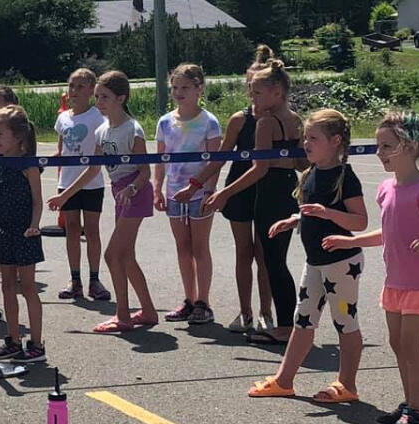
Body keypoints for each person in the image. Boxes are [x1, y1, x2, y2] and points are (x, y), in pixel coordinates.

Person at [321, 111, 419, 424]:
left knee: (411, 344)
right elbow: (387, 233)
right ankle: (409, 403)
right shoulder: (386, 189)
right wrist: (350, 241)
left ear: (411, 147)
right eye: (378, 146)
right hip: (395, 282)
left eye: (387, 146)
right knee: (397, 343)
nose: (379, 152)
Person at [248, 109, 368, 404]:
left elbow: (360, 221)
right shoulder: (311, 173)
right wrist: (294, 220)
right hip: (314, 262)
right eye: (305, 137)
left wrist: (328, 213)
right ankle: (284, 380)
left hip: (342, 263)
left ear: (335, 141)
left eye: (313, 138)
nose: (306, 143)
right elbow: (311, 212)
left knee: (345, 322)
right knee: (302, 321)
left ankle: (347, 384)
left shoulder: (344, 177)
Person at [206, 46, 302, 343]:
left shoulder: (267, 123)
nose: (252, 97)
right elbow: (302, 163)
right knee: (273, 260)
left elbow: (260, 169)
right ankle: (276, 321)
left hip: (269, 192)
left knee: (272, 262)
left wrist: (224, 193)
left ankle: (280, 323)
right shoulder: (295, 119)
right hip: (285, 189)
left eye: (257, 92)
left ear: (276, 92)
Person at [71, 69, 158, 334]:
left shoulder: (133, 130)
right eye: (97, 96)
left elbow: (145, 171)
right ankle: (148, 311)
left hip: (136, 194)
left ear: (121, 98)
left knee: (112, 255)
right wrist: (65, 194)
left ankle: (123, 315)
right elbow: (93, 169)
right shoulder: (102, 131)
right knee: (126, 256)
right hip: (120, 193)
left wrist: (132, 188)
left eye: (105, 97)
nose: (99, 102)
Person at [157, 62, 222, 325]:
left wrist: (208, 191)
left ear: (199, 89)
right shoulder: (165, 122)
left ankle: (203, 302)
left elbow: (215, 161)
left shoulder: (209, 122)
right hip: (174, 192)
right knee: (182, 247)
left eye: (185, 87)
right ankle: (189, 298)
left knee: (199, 247)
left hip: (199, 193)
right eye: (175, 87)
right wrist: (157, 188)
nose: (179, 92)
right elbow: (160, 159)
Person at [0, 106, 47, 363]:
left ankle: (37, 343)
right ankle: (13, 339)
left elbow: (37, 200)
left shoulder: (28, 164)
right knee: (7, 286)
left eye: (0, 134)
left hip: (25, 232)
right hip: (5, 232)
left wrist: (34, 224)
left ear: (19, 136)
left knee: (28, 286)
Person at [52, 67, 109, 303]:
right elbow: (61, 150)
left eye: (80, 87)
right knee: (72, 229)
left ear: (91, 90)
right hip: (66, 182)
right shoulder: (63, 118)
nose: (74, 91)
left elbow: (97, 157)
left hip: (92, 183)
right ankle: (75, 279)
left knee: (92, 230)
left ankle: (95, 279)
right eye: (71, 86)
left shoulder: (98, 118)